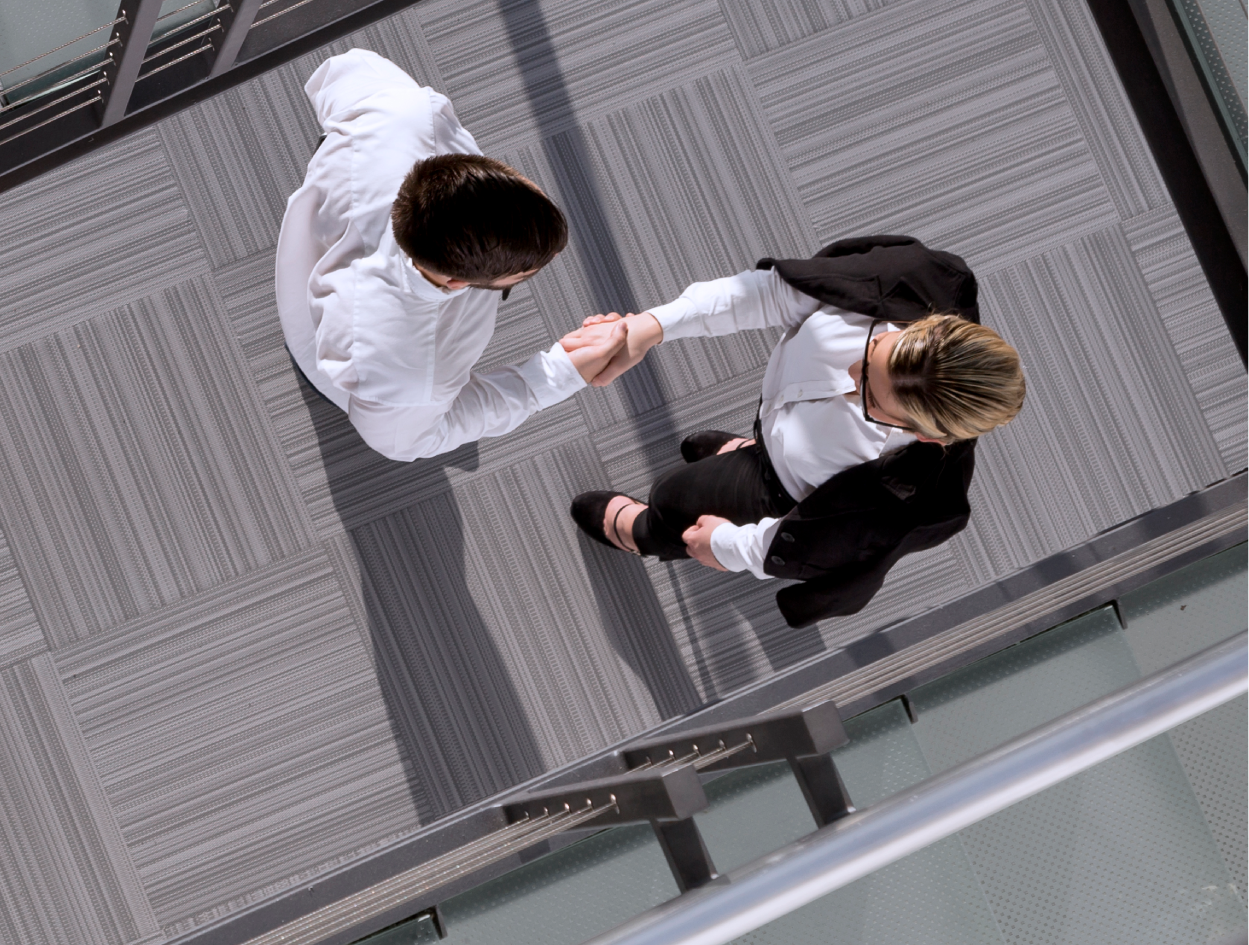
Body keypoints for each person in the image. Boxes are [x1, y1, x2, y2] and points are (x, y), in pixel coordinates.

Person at [565, 235, 1024, 628]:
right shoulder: (908, 281)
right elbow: (769, 294)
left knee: (672, 497)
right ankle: (748, 449)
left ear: (924, 436)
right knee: (757, 449)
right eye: (876, 347)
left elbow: (810, 542)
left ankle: (645, 532)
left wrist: (726, 546)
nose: (851, 370)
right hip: (781, 438)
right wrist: (652, 327)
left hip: (784, 494)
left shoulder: (896, 500)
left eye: (869, 395)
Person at [275, 48, 625, 460]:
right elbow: (403, 442)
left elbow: (337, 75)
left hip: (309, 250)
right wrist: (556, 375)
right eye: (520, 276)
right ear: (458, 283)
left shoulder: (406, 113)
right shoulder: (408, 371)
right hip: (323, 344)